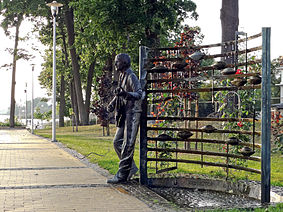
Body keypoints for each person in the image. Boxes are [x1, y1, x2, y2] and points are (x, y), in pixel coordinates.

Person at [107, 53, 142, 184]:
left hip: (132, 113)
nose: (115, 64)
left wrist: (126, 94)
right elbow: (119, 94)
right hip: (124, 113)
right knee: (117, 142)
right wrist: (112, 104)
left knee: (128, 144)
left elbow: (139, 93)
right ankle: (131, 168)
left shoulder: (131, 76)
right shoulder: (122, 76)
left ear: (124, 63)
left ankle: (122, 175)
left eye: (117, 62)